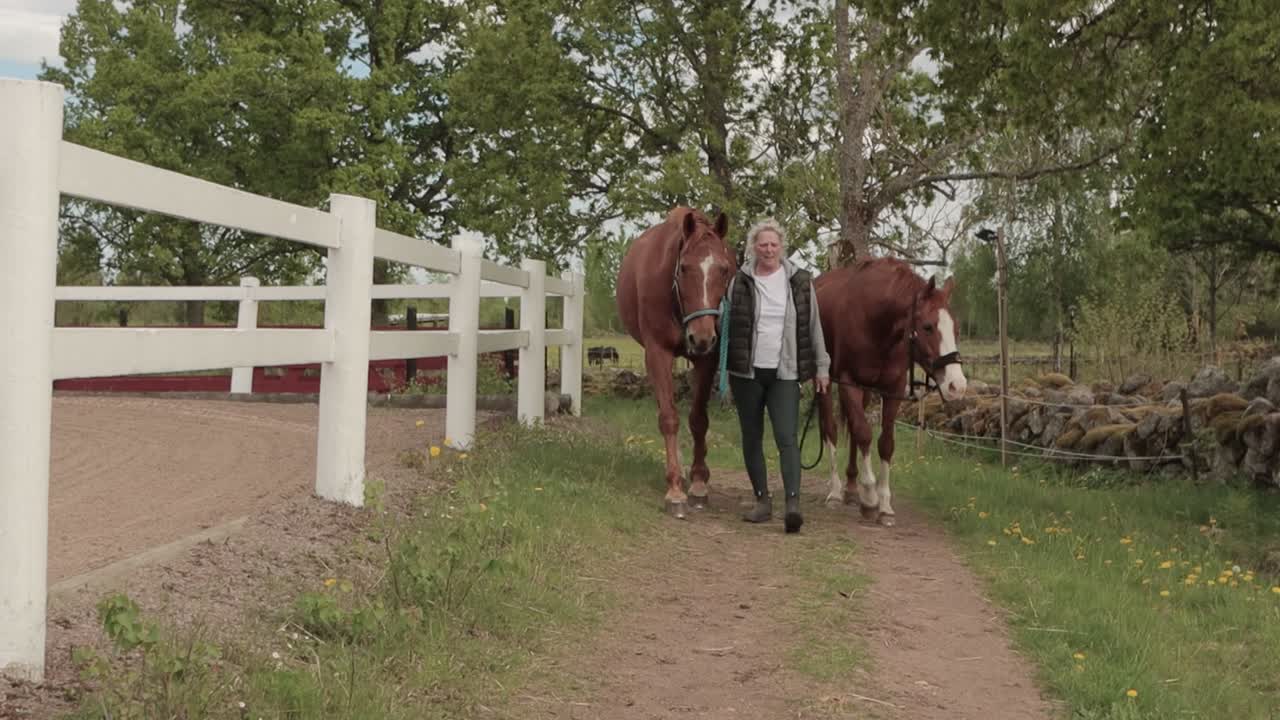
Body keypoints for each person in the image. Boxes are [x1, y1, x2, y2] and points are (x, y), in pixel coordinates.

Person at [718, 218, 830, 533]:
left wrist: (822, 367)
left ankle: (792, 505)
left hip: (785, 372)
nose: (768, 249)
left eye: (773, 244)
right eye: (762, 244)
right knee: (751, 437)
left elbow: (813, 326)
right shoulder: (739, 281)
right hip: (747, 373)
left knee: (786, 437)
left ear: (781, 247)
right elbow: (725, 325)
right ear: (754, 247)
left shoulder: (799, 281)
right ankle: (762, 502)